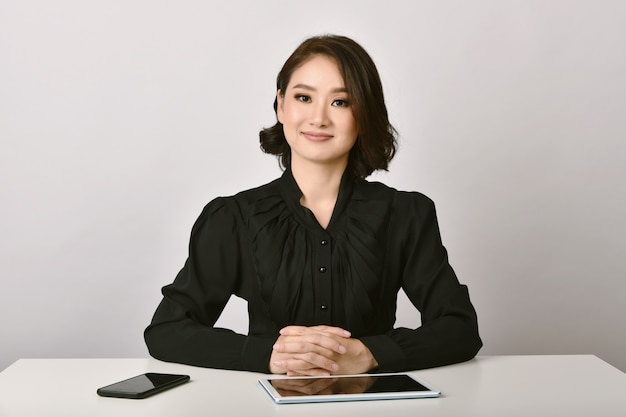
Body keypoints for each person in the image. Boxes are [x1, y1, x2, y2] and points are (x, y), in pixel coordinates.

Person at [144, 34, 482, 376]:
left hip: (378, 406)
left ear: (364, 114)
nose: (319, 118)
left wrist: (370, 354)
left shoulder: (406, 215)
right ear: (280, 105)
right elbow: (167, 331)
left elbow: (460, 329)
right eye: (304, 97)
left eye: (341, 102)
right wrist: (269, 355)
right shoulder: (232, 218)